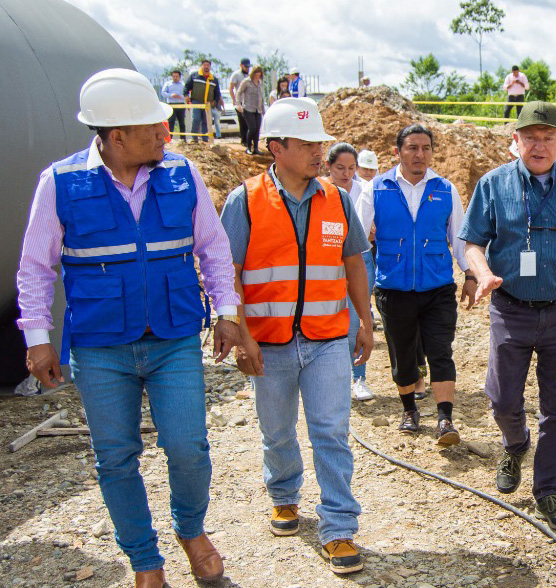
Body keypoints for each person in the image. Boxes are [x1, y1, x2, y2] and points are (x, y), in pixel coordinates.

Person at [15, 69, 241, 588]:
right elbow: (34, 267)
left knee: (188, 447)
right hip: (100, 347)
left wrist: (227, 313)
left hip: (173, 338)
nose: (166, 135)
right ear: (116, 136)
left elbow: (212, 248)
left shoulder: (182, 175)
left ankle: (191, 530)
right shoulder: (61, 183)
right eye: (153, 128)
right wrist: (37, 338)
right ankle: (145, 561)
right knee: (115, 458)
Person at [219, 97, 371, 575]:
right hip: (269, 342)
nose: (318, 152)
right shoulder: (243, 200)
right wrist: (243, 336)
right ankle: (284, 495)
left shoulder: (338, 199)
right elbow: (229, 274)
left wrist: (366, 321)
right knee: (278, 429)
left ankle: (339, 525)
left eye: (320, 143)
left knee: (331, 430)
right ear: (276, 147)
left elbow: (352, 263)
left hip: (329, 339)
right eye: (307, 144)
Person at [459, 101, 556, 531]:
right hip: (510, 309)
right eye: (530, 136)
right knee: (502, 400)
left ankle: (548, 489)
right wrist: (484, 272)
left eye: (548, 137)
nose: (539, 145)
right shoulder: (493, 184)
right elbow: (472, 242)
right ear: (516, 140)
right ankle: (515, 444)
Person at [356, 124, 477, 445]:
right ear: (397, 152)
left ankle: (445, 418)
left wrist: (471, 274)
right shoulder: (376, 189)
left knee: (440, 352)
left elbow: (460, 239)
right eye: (412, 148)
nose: (419, 154)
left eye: (425, 148)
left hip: (437, 288)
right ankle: (409, 410)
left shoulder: (445, 188)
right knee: (403, 356)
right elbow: (355, 240)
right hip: (393, 290)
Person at [325, 142, 376, 401]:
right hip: (327, 263)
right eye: (340, 168)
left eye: (351, 168)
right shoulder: (319, 192)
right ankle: (333, 378)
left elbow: (370, 230)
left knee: (357, 319)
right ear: (328, 167)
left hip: (360, 261)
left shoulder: (364, 191)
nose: (346, 174)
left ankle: (358, 377)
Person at [184, 59, 222, 143]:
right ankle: (194, 137)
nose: (206, 67)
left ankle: (205, 138)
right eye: (204, 65)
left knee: (206, 120)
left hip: (207, 103)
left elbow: (217, 92)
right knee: (196, 118)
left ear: (210, 67)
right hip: (196, 101)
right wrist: (186, 95)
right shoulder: (194, 76)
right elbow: (187, 86)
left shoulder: (214, 79)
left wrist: (215, 102)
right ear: (202, 66)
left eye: (208, 65)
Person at [236, 65, 265, 155]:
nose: (257, 74)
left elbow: (262, 97)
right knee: (252, 128)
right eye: (256, 72)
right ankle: (248, 147)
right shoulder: (246, 82)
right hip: (248, 108)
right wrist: (239, 104)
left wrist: (263, 110)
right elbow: (239, 93)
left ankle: (256, 148)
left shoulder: (260, 83)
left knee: (257, 129)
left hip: (258, 109)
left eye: (259, 72)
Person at [229, 57, 251, 146]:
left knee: (249, 122)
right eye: (245, 66)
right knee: (242, 121)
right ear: (241, 65)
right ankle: (244, 141)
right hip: (240, 102)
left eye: (248, 67)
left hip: (249, 102)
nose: (247, 68)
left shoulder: (249, 75)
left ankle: (249, 141)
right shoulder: (236, 75)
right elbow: (231, 88)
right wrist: (234, 100)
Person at [161, 70, 186, 139]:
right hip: (171, 104)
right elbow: (163, 93)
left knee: (181, 122)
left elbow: (187, 94)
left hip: (181, 104)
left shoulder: (183, 85)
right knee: (171, 122)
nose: (175, 78)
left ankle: (183, 138)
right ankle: (169, 138)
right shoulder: (168, 84)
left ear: (179, 77)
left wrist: (180, 96)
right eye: (174, 76)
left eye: (176, 76)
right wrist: (171, 95)